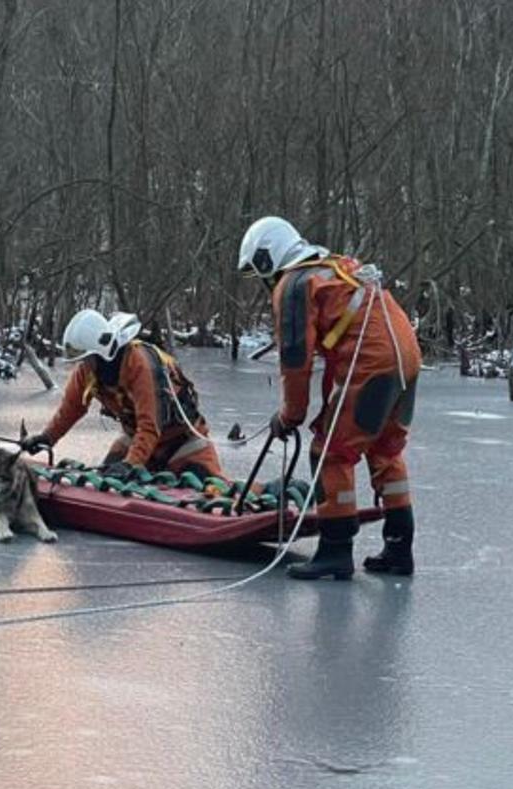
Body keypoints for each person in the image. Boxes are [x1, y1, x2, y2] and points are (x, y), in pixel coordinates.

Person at [238, 216, 420, 580]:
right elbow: (341, 351)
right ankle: (399, 549)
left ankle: (335, 551)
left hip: (372, 361)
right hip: (405, 356)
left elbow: (295, 359)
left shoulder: (294, 284)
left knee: (331, 453)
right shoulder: (333, 268)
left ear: (266, 260)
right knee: (385, 449)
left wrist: (291, 414)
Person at [21, 310, 229, 482]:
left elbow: (150, 426)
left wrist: (131, 464)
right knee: (106, 480)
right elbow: (71, 409)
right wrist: (46, 438)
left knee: (210, 488)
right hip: (136, 439)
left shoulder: (139, 364)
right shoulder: (87, 370)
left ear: (101, 352)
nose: (83, 365)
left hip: (182, 444)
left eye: (87, 358)